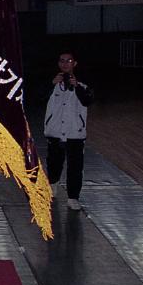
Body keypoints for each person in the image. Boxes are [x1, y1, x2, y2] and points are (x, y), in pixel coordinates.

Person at [43, 51, 94, 211]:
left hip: (75, 133)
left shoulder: (82, 85)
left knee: (75, 167)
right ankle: (53, 185)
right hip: (55, 131)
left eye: (69, 61)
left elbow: (87, 101)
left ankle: (73, 197)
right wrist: (52, 84)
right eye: (62, 61)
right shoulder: (52, 84)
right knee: (53, 162)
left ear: (75, 63)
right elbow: (36, 98)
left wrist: (76, 86)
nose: (65, 64)